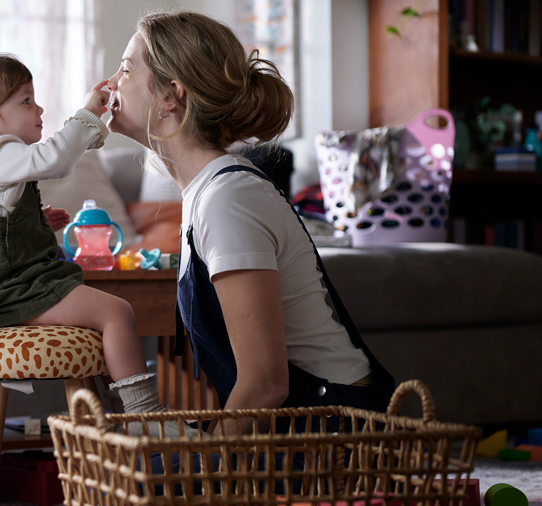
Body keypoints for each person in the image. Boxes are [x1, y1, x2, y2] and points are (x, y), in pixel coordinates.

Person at [105, 11, 395, 435]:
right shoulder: (207, 192)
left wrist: (206, 472)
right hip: (297, 422)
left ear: (171, 96)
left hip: (332, 433)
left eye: (127, 68)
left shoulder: (227, 198)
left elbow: (264, 385)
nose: (111, 82)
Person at [0, 54, 186, 435]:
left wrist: (38, 221)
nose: (39, 108)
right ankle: (143, 417)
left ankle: (125, 415)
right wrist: (86, 114)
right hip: (16, 295)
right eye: (26, 101)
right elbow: (54, 159)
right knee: (117, 313)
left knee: (107, 316)